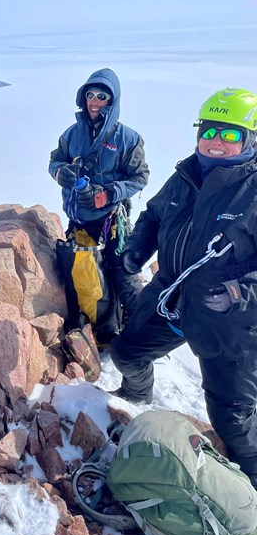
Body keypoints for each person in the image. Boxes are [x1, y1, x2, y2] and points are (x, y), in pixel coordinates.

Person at [110, 87, 257, 487]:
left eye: (230, 135)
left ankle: (248, 492)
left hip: (228, 323)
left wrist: (238, 295)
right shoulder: (187, 175)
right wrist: (135, 251)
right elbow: (155, 216)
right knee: (126, 353)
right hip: (170, 298)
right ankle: (137, 397)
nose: (217, 143)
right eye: (210, 131)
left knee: (234, 421)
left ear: (251, 139)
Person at [49, 68, 149, 331]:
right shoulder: (71, 134)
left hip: (111, 222)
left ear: (112, 101)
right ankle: (96, 326)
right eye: (90, 95)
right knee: (84, 278)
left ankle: (141, 333)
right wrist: (61, 172)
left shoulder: (127, 139)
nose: (94, 102)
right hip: (79, 221)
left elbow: (139, 178)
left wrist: (108, 194)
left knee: (122, 277)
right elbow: (55, 160)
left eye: (102, 96)